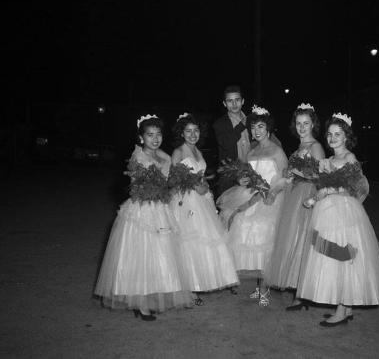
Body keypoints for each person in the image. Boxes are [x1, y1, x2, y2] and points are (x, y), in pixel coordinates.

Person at [296, 112, 379, 327]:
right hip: (327, 212)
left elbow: (357, 187)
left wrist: (330, 191)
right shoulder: (327, 160)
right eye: (329, 134)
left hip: (345, 212)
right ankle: (345, 307)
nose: (332, 138)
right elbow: (323, 187)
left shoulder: (350, 158)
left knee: (343, 256)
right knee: (331, 255)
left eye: (337, 134)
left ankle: (342, 308)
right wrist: (314, 198)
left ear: (346, 136)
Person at [94, 114, 194, 321]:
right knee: (142, 255)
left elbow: (171, 177)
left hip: (161, 208)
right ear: (142, 137)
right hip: (143, 211)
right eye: (150, 135)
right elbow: (135, 187)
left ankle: (153, 298)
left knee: (160, 255)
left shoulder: (164, 156)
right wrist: (155, 188)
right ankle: (141, 304)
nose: (155, 139)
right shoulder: (138, 156)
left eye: (158, 134)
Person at [217, 105, 288, 306]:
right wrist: (242, 180)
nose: (256, 131)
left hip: (269, 200)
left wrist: (272, 192)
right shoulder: (251, 151)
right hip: (250, 196)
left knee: (264, 240)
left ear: (269, 128)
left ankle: (265, 289)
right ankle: (259, 287)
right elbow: (247, 174)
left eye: (261, 127)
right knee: (248, 235)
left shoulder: (277, 151)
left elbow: (285, 179)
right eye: (254, 127)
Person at [170, 113, 239, 303]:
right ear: (182, 133)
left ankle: (203, 282)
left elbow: (199, 174)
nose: (193, 134)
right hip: (187, 201)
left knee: (207, 239)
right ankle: (190, 289)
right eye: (188, 131)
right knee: (190, 241)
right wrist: (194, 185)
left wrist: (204, 184)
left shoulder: (198, 151)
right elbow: (174, 179)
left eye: (196, 130)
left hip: (202, 199)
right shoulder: (179, 152)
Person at [264, 103, 325, 310]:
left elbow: (321, 176)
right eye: (298, 123)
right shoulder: (300, 147)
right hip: (294, 195)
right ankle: (300, 291)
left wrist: (298, 173)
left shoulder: (315, 146)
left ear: (313, 124)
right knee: (294, 240)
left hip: (307, 195)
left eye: (306, 123)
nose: (302, 127)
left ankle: (303, 294)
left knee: (303, 242)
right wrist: (288, 175)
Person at [213, 85, 281, 195]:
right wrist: (241, 125)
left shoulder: (252, 120)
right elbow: (226, 144)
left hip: (255, 175)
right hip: (232, 179)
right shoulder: (219, 124)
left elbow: (266, 137)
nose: (234, 104)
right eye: (230, 101)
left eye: (237, 100)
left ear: (243, 101)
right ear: (224, 104)